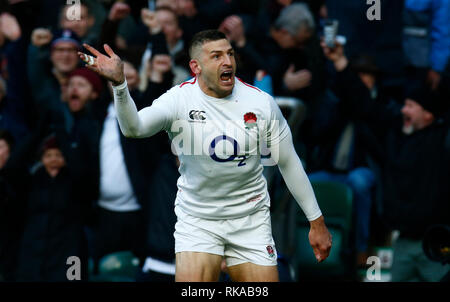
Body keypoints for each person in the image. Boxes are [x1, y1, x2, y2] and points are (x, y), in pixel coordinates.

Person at [79, 29, 331, 282]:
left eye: (230, 54)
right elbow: (134, 129)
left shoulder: (261, 103)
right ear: (195, 66)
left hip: (249, 220)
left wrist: (316, 222)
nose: (227, 62)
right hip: (198, 220)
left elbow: (289, 162)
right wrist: (120, 86)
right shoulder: (178, 100)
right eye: (217, 56)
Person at [321, 40, 450, 282]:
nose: (404, 110)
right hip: (401, 243)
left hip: (437, 245)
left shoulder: (442, 141)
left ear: (428, 114)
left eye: (411, 106)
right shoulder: (394, 135)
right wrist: (340, 62)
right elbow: (365, 105)